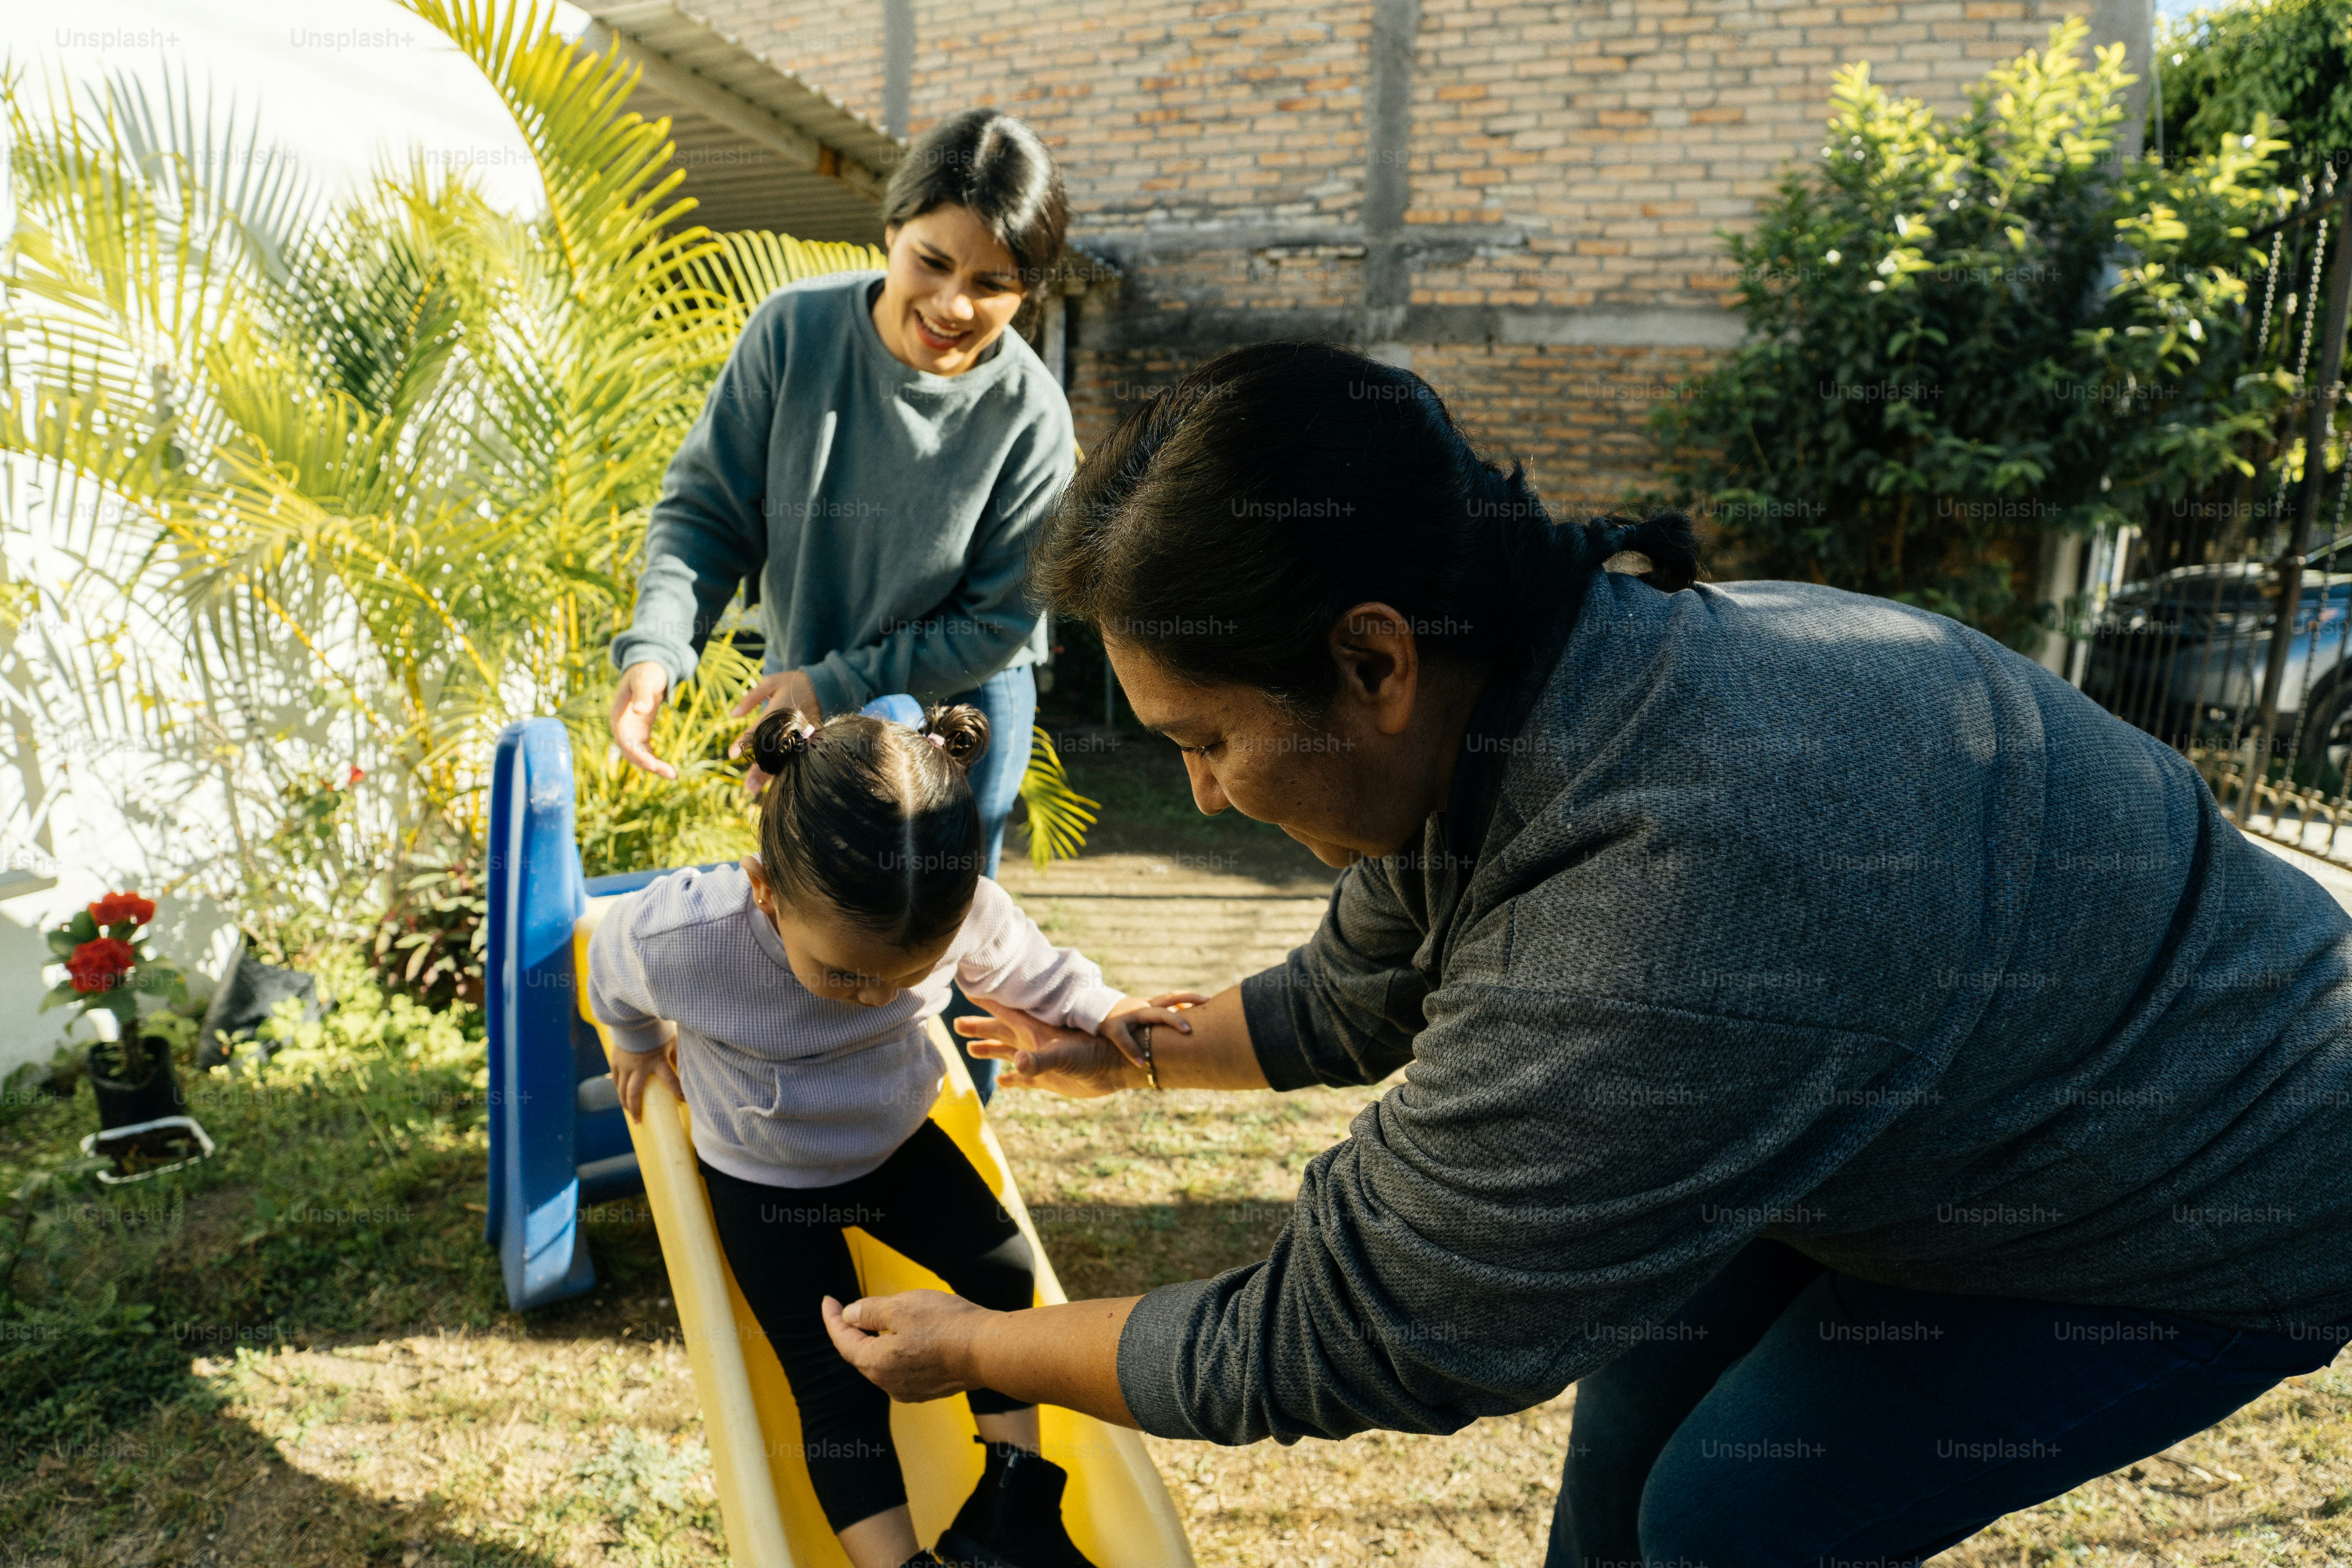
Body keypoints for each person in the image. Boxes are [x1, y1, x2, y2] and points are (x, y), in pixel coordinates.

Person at [816, 342, 2352, 1563]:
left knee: (1736, 1518)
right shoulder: (1552, 679)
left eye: (1208, 741)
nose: (1202, 790)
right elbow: (1367, 976)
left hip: (2219, 1184)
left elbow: (1356, 1329)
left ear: (1374, 660)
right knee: (1637, 1422)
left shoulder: (1666, 906)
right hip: (1959, 1092)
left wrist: (984, 1344)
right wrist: (1136, 1049)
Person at [589, 704, 1190, 1568]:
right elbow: (614, 960)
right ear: (765, 889)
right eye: (843, 971)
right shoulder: (690, 936)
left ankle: (1010, 1498)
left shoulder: (953, 902)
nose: (874, 995)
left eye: (906, 975)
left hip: (893, 1143)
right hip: (764, 1179)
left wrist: (1104, 1007)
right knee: (836, 1381)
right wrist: (639, 1041)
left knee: (1004, 1270)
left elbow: (1030, 963)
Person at [608, 107, 1073, 1102]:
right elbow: (706, 514)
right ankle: (806, 1150)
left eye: (993, 284)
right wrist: (658, 645)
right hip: (810, 707)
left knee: (929, 949)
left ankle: (946, 1132)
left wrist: (838, 681)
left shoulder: (1032, 417)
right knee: (817, 938)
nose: (954, 303)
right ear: (890, 233)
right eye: (933, 262)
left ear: (1027, 291)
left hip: (955, 714)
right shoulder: (794, 334)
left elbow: (997, 624)